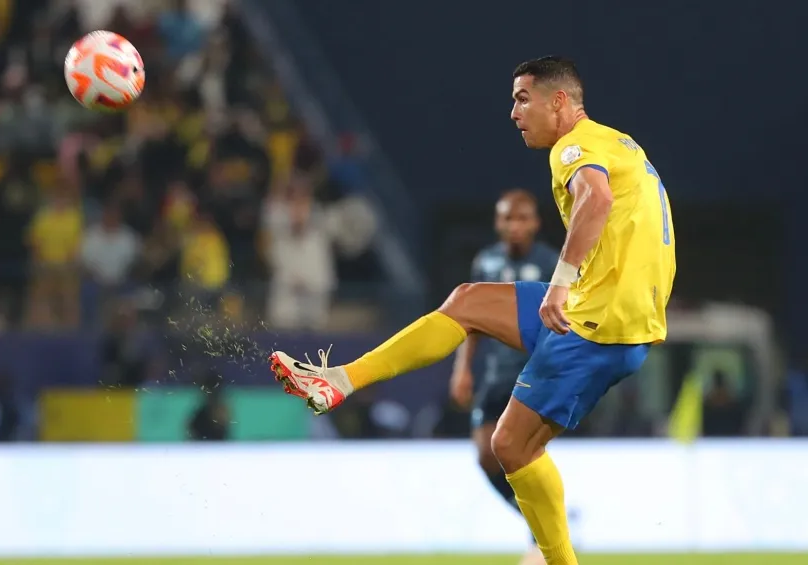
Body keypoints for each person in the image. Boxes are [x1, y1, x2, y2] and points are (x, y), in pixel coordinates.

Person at [269, 56, 676, 565]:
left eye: (522, 98)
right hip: (609, 308)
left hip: (598, 323)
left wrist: (559, 286)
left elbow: (594, 201)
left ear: (560, 102)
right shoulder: (617, 142)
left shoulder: (574, 148)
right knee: (467, 301)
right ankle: (341, 380)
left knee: (509, 447)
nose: (513, 112)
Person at [450, 189, 557, 565]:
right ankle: (539, 524)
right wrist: (462, 368)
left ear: (535, 223)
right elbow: (472, 320)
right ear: (498, 223)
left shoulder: (550, 262)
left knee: (522, 454)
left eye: (522, 218)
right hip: (494, 374)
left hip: (533, 373)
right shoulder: (486, 263)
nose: (514, 226)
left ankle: (540, 539)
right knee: (485, 455)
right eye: (507, 219)